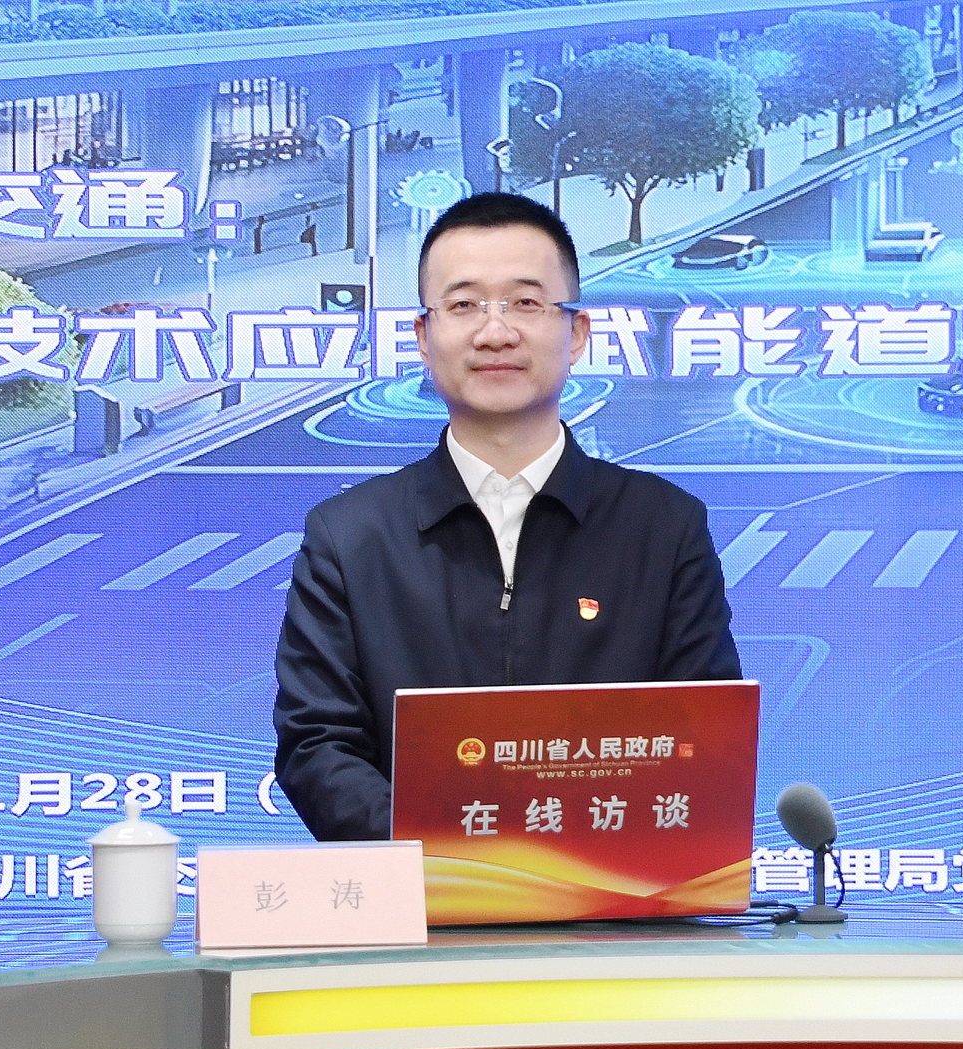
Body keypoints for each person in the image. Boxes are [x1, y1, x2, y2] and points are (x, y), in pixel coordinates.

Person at [273, 192, 741, 841]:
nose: (495, 333)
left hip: (614, 901)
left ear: (577, 333)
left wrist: (563, 859)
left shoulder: (664, 528)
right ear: (423, 337)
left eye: (525, 303)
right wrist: (461, 857)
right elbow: (318, 746)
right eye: (464, 305)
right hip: (417, 895)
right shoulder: (349, 538)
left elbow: (701, 742)